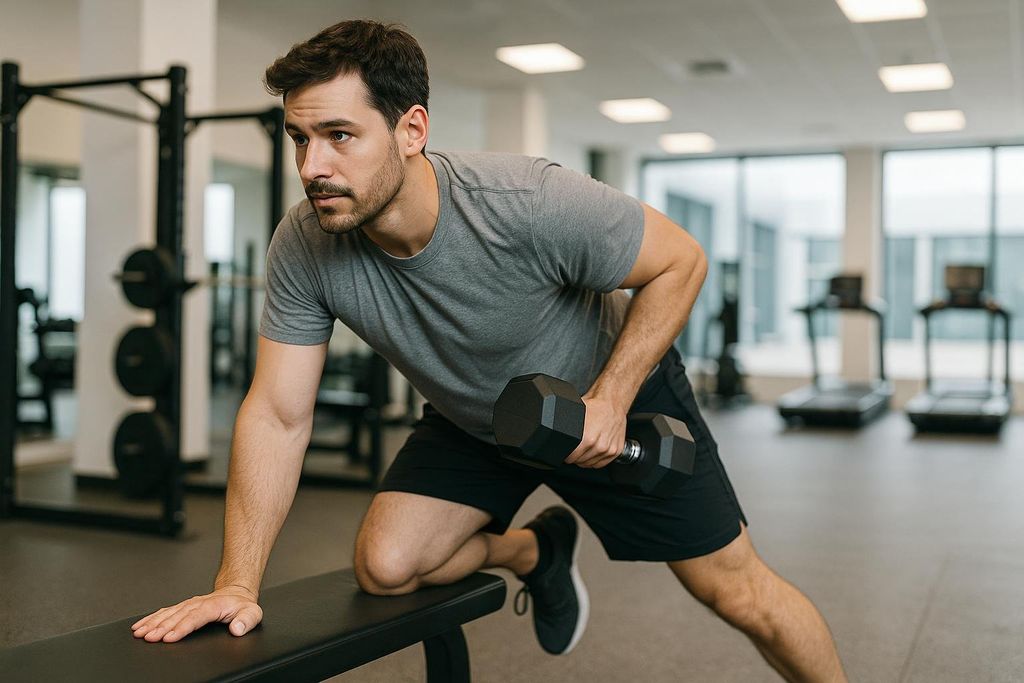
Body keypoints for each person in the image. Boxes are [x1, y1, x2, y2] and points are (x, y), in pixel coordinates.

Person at [131, 19, 846, 682]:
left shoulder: (525, 200)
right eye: (299, 138)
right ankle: (535, 550)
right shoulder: (305, 245)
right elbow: (278, 413)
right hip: (479, 419)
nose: (312, 164)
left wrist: (611, 397)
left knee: (737, 591)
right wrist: (237, 582)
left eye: (340, 135)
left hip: (610, 397)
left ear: (411, 129)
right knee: (386, 565)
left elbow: (681, 260)